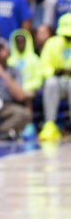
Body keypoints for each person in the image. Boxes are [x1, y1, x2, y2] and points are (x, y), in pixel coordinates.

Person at [38, 13, 71, 142]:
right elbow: (44, 66)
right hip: (57, 83)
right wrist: (55, 72)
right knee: (50, 82)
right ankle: (50, 124)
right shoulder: (52, 43)